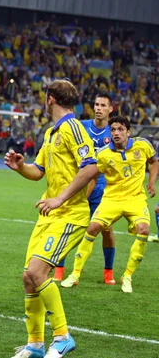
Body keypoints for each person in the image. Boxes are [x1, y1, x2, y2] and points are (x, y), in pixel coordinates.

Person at [5, 79, 99, 358]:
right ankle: (35, 344)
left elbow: (91, 166)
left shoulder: (73, 127)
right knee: (28, 277)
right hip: (50, 214)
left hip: (70, 214)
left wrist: (60, 198)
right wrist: (21, 167)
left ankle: (62, 336)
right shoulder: (52, 132)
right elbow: (39, 171)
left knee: (37, 273)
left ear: (50, 99)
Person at [60, 116, 157, 293]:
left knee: (144, 229)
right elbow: (93, 177)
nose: (116, 133)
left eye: (120, 129)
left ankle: (127, 276)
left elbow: (154, 161)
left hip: (135, 198)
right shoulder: (103, 154)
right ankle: (75, 274)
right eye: (113, 130)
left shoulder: (142, 145)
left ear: (128, 131)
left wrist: (152, 182)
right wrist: (85, 197)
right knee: (92, 228)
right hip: (111, 199)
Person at [54, 93, 116, 284]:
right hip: (79, 184)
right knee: (66, 226)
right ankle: (59, 270)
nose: (98, 108)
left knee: (106, 230)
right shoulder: (82, 127)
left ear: (110, 109)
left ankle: (108, 273)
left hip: (102, 189)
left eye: (103, 105)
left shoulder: (114, 132)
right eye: (96, 104)